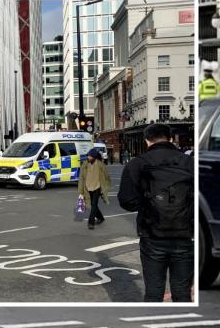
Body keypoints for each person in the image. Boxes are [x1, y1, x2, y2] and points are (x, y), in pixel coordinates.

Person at [118, 123, 194, 302]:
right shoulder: (190, 162)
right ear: (170, 139)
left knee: (154, 291)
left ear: (146, 140)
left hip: (152, 235)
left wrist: (146, 201)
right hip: (185, 234)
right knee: (182, 291)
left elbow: (127, 201)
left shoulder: (137, 164)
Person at [77, 148, 110, 229]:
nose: (88, 157)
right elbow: (81, 178)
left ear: (94, 157)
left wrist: (105, 188)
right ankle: (100, 217)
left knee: (94, 204)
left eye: (90, 156)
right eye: (88, 156)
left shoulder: (101, 165)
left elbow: (107, 177)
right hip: (88, 188)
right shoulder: (84, 165)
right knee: (93, 205)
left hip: (97, 187)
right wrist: (81, 191)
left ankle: (91, 223)